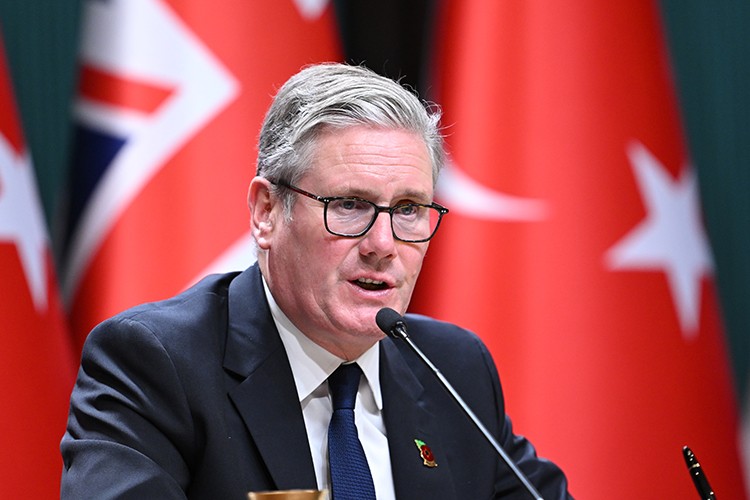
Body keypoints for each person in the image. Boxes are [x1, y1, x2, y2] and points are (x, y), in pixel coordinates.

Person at [61, 63, 572, 499]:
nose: (383, 244)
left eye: (408, 209)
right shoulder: (158, 364)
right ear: (266, 212)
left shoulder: (453, 368)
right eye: (349, 204)